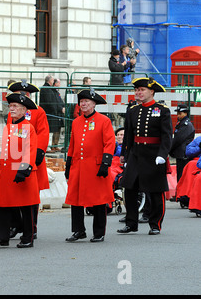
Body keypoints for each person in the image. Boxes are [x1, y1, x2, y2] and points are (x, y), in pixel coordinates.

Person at [118, 77, 172, 235]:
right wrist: (125, 155)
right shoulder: (133, 110)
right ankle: (131, 223)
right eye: (136, 90)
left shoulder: (162, 109)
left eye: (141, 90)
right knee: (129, 188)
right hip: (136, 154)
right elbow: (128, 135)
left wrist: (162, 154)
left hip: (154, 154)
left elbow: (167, 136)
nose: (138, 93)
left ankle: (155, 224)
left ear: (151, 91)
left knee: (155, 191)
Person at [0, 92, 40, 248]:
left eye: (15, 106)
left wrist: (23, 170)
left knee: (26, 206)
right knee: (3, 204)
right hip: (7, 171)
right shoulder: (9, 126)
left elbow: (29, 150)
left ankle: (27, 237)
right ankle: (1, 237)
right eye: (10, 106)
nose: (11, 109)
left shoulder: (28, 127)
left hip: (22, 172)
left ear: (24, 110)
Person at [64, 89, 116, 242]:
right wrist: (68, 165)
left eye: (87, 101)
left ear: (94, 104)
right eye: (81, 102)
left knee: (99, 200)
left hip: (96, 167)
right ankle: (78, 230)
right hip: (78, 167)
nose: (83, 104)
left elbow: (109, 143)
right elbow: (72, 145)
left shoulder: (104, 121)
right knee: (75, 199)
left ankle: (99, 232)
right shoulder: (76, 122)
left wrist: (105, 163)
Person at [7, 80, 49, 238]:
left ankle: (32, 226)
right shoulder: (12, 113)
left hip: (32, 159)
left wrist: (38, 154)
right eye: (18, 94)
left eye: (24, 95)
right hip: (14, 158)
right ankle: (16, 225)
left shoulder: (38, 111)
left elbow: (43, 133)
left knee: (31, 196)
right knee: (14, 194)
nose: (21, 97)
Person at [169, 104, 195, 183]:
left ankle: (181, 194)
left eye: (180, 113)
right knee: (180, 176)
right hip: (180, 154)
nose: (178, 115)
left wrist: (169, 149)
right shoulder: (181, 123)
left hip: (183, 155)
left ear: (185, 113)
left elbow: (178, 139)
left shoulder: (186, 125)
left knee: (182, 177)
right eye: (178, 113)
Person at [40, 76, 65, 152]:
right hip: (50, 113)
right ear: (50, 81)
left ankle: (53, 146)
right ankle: (48, 146)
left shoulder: (50, 89)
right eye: (52, 80)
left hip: (53, 112)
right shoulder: (46, 89)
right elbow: (50, 102)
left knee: (54, 130)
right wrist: (56, 110)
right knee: (50, 131)